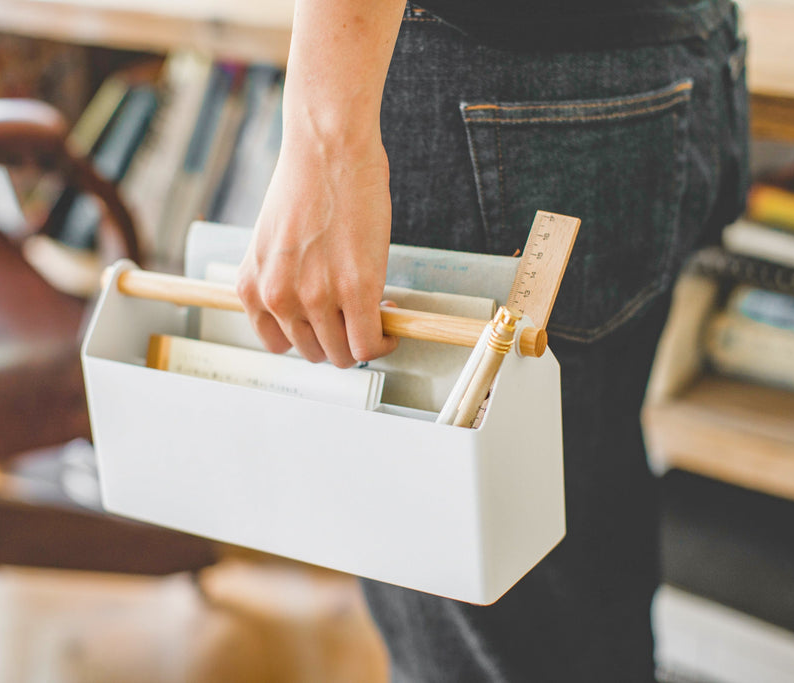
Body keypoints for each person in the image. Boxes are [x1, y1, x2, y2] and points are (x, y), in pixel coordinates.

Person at [237, 0, 749, 680]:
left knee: (485, 605)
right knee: (574, 552)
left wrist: (324, 144)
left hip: (494, 86)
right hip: (659, 59)